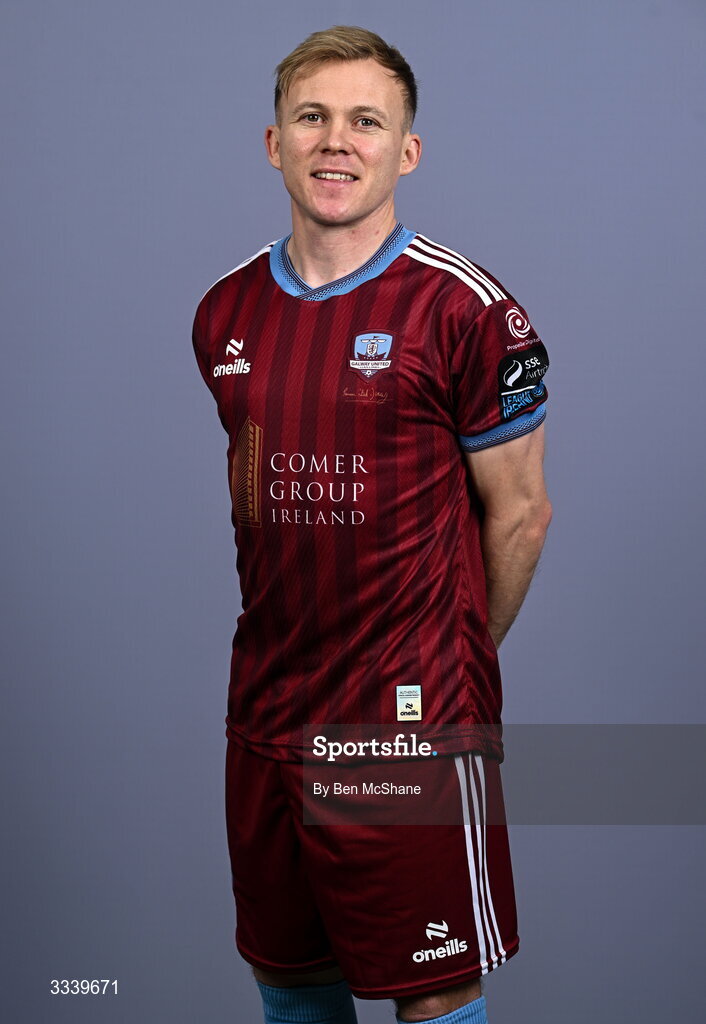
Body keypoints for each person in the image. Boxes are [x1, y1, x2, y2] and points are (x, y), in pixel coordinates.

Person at [192, 25, 551, 1024]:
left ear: (407, 151)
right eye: (312, 117)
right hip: (264, 718)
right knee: (290, 986)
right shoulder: (223, 311)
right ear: (275, 143)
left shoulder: (464, 310)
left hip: (405, 726)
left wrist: (451, 665)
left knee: (432, 993)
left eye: (365, 121)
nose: (335, 141)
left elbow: (520, 516)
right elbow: (262, 491)